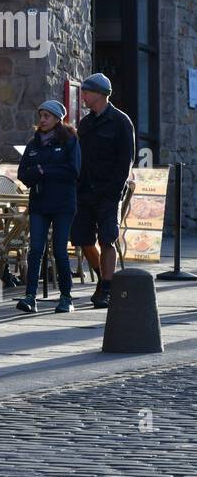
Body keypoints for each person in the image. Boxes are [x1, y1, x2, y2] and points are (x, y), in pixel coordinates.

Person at [71, 73, 136, 309]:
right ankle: (102, 277)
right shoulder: (86, 123)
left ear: (98, 94)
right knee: (83, 239)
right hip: (85, 192)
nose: (84, 96)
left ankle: (107, 287)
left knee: (107, 239)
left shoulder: (121, 121)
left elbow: (125, 160)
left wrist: (114, 191)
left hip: (108, 192)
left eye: (86, 92)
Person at [16, 100, 81, 314]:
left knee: (60, 250)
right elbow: (23, 174)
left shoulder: (69, 140)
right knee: (35, 250)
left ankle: (66, 297)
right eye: (41, 115)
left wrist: (44, 170)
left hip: (63, 203)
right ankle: (30, 297)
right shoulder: (33, 144)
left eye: (47, 116)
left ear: (57, 119)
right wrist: (39, 172)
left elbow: (73, 171)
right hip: (39, 203)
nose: (42, 120)